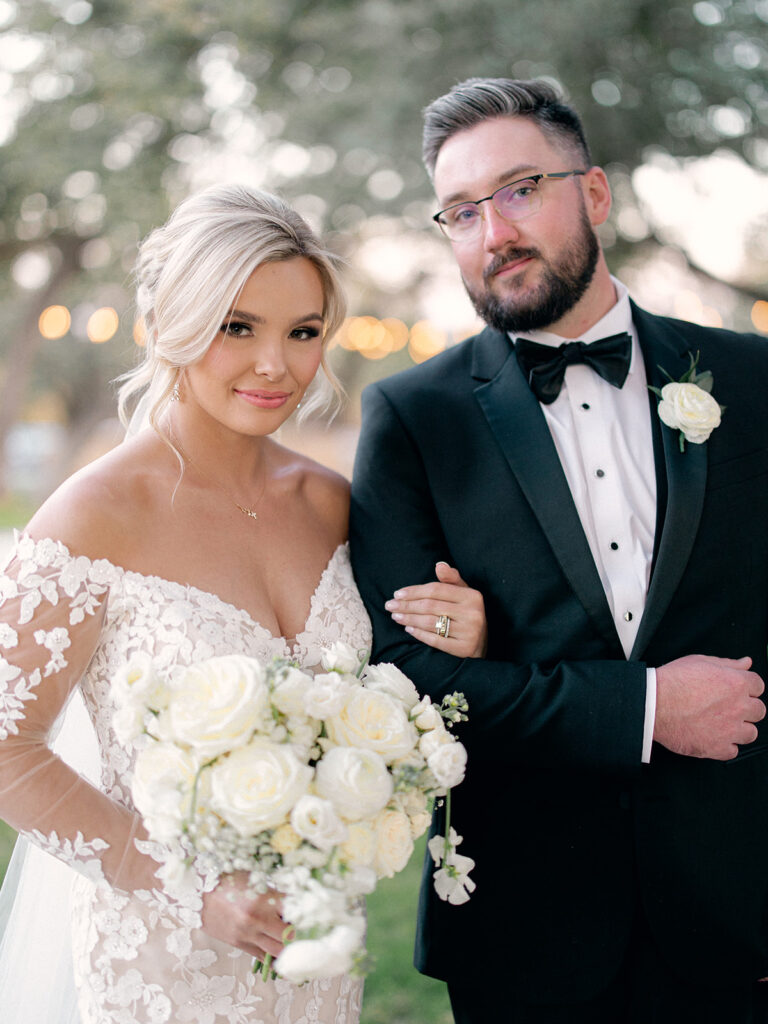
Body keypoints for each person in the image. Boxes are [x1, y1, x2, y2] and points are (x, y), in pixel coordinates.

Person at [349, 77, 768, 1023]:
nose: (494, 232)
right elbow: (401, 672)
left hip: (736, 915)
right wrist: (645, 708)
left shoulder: (752, 380)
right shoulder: (413, 419)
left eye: (520, 188)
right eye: (461, 212)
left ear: (596, 193)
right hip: (524, 932)